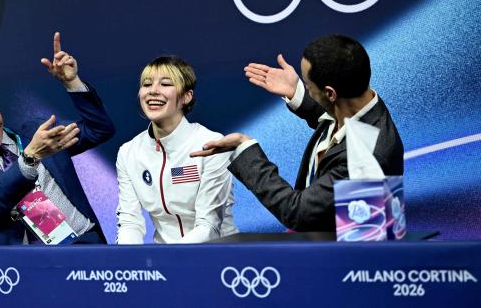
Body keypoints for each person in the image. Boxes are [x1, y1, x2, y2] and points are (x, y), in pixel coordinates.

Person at [191, 35, 403, 232]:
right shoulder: (361, 103)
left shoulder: (366, 155)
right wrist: (297, 93)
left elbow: (298, 212)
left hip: (344, 261)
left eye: (309, 86)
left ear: (330, 93)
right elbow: (333, 112)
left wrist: (246, 149)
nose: (307, 89)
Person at [0, 32, 115, 245]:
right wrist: (30, 157)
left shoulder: (38, 133)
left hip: (87, 245)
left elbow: (100, 129)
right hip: (32, 268)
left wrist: (72, 83)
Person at [116, 56, 238, 244]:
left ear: (186, 97)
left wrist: (169, 261)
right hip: (162, 263)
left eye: (165, 84)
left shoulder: (212, 144)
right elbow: (129, 222)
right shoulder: (128, 152)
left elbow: (209, 225)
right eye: (147, 84)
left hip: (219, 259)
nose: (153, 91)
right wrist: (133, 265)